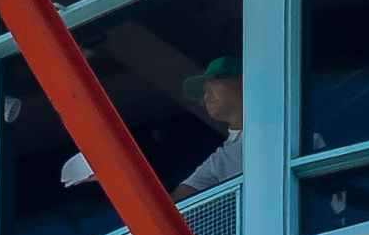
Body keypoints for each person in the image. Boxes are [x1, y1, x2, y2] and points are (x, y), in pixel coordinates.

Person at [60, 52, 244, 205]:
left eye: (211, 83)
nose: (205, 96)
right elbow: (173, 206)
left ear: (240, 80)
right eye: (203, 92)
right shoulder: (220, 160)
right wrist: (115, 176)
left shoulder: (272, 121)